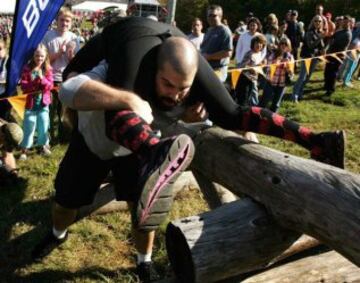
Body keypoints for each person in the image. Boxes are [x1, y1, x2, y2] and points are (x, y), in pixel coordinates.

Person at [31, 17, 346, 283]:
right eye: (167, 85)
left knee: (144, 212)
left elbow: (233, 114)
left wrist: (308, 138)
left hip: (134, 150)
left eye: (183, 89)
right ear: (154, 69)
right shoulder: (120, 64)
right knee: (65, 202)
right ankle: (58, 234)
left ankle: (144, 260)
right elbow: (70, 90)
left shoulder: (189, 72)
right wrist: (127, 100)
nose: (175, 94)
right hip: (93, 142)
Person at [42, 7, 80, 143]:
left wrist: (70, 57)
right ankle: (49, 138)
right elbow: (42, 59)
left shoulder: (74, 38)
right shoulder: (48, 36)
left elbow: (77, 62)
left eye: (67, 21)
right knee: (49, 111)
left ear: (71, 23)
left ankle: (63, 138)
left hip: (67, 79)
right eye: (62, 20)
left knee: (64, 112)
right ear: (56, 21)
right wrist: (59, 53)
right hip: (49, 80)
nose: (64, 23)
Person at [19, 45, 54, 160]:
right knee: (29, 125)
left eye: (42, 56)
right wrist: (35, 82)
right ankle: (24, 149)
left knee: (44, 124)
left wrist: (42, 79)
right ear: (33, 56)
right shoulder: (27, 69)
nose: (39, 58)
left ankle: (43, 145)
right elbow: (24, 86)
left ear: (45, 57)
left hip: (43, 104)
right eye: (37, 55)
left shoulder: (48, 69)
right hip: (30, 104)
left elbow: (50, 86)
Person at [292, 15, 326, 102]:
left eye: (319, 21)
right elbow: (311, 45)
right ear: (312, 22)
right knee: (302, 77)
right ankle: (294, 95)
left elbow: (321, 47)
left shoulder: (319, 32)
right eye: (316, 21)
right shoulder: (309, 32)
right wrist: (320, 38)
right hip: (307, 57)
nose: (318, 23)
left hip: (315, 58)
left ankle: (300, 92)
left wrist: (323, 49)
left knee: (307, 77)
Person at [259, 38, 294, 112]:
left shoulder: (290, 57)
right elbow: (268, 67)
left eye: (286, 44)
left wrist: (287, 66)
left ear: (289, 46)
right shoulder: (274, 54)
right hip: (271, 82)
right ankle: (258, 116)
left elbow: (291, 73)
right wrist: (276, 61)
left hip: (282, 84)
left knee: (276, 104)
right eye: (282, 43)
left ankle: (272, 120)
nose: (283, 45)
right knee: (264, 101)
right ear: (279, 45)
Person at [201, 5, 233, 82]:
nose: (211, 18)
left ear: (220, 17)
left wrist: (209, 57)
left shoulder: (224, 31)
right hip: (207, 68)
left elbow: (228, 53)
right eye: (209, 15)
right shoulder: (209, 30)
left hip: (218, 70)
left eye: (214, 15)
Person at [234, 34, 267, 107]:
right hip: (245, 79)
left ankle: (252, 109)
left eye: (261, 44)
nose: (259, 45)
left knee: (251, 96)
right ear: (253, 44)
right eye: (257, 43)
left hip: (253, 79)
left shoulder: (259, 53)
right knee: (243, 98)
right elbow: (242, 66)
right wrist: (251, 68)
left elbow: (256, 64)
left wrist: (262, 64)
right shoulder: (249, 54)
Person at [324, 15, 352, 96]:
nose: (344, 23)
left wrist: (332, 41)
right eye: (344, 21)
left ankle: (330, 90)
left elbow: (337, 44)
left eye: (346, 22)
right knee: (327, 71)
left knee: (333, 73)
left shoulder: (348, 34)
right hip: (331, 54)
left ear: (349, 23)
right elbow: (331, 37)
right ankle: (326, 86)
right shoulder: (340, 31)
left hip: (338, 57)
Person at [0, 118, 23, 186]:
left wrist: (13, 173)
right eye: (8, 143)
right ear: (3, 136)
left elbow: (8, 154)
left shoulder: (6, 128)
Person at [0, 39, 12, 121]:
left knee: (3, 120)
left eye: (0, 49)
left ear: (5, 49)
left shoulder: (10, 62)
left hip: (5, 96)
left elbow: (14, 80)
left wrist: (2, 82)